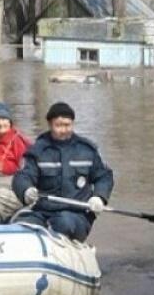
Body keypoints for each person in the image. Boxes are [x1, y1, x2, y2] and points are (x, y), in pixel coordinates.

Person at [12, 101, 113, 241]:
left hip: (77, 215)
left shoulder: (86, 150)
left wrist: (99, 197)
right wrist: (26, 190)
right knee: (20, 227)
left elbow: (104, 176)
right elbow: (22, 176)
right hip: (43, 212)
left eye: (67, 125)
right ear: (50, 125)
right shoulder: (38, 151)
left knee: (63, 222)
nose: (64, 130)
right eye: (58, 125)